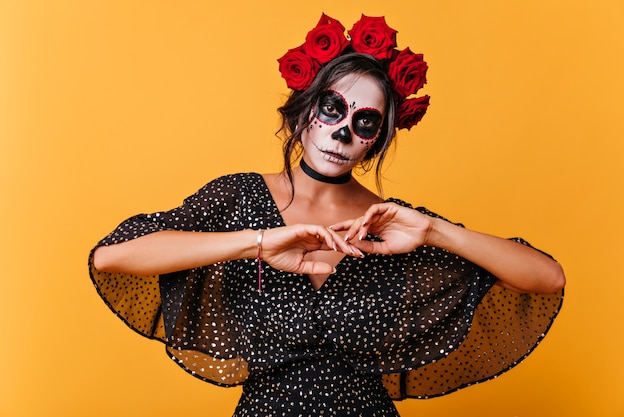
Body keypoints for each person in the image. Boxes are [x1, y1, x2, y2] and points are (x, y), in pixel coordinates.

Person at [89, 14, 565, 417]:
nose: (341, 132)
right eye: (332, 108)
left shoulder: (394, 226)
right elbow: (111, 258)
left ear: (375, 139)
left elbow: (546, 278)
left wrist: (436, 231)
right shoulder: (240, 197)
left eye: (364, 122)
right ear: (303, 111)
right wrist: (255, 242)